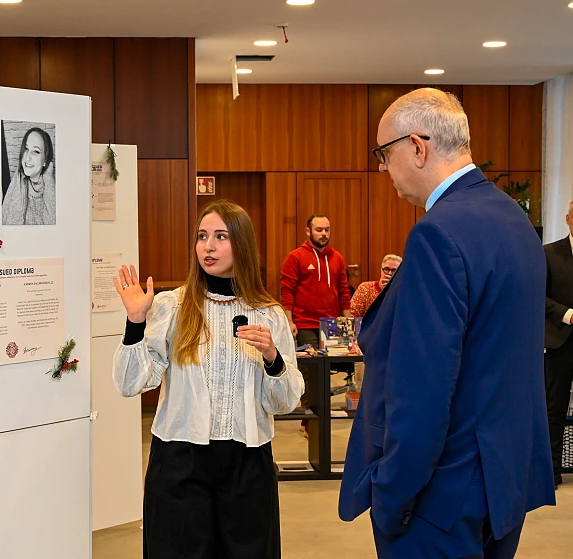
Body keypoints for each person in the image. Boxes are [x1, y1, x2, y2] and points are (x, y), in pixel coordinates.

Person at [339, 88, 554, 558]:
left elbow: (422, 390)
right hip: (502, 482)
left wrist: (391, 492)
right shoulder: (513, 220)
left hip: (441, 494)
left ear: (417, 147)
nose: (381, 167)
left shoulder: (438, 233)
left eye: (383, 153)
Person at [112, 200, 303, 558]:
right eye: (202, 237)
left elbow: (284, 402)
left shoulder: (268, 314)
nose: (208, 247)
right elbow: (131, 383)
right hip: (179, 463)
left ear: (242, 244)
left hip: (247, 465)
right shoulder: (172, 306)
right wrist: (135, 322)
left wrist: (273, 359)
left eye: (220, 237)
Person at [280, 214, 352, 347]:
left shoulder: (337, 258)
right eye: (319, 230)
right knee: (313, 367)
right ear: (308, 231)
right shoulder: (295, 257)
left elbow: (344, 291)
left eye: (327, 230)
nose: (324, 234)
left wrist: (348, 321)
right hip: (305, 324)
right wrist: (289, 322)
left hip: (332, 323)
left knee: (334, 366)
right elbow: (287, 292)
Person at [544, 200, 573, 490]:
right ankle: (551, 471)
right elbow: (538, 296)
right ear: (568, 219)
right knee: (555, 409)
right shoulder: (550, 253)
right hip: (560, 342)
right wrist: (567, 314)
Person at [2, 127, 56, 226]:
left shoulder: (54, 188)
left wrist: (48, 176)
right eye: (26, 149)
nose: (27, 157)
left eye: (36, 151)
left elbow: (53, 224)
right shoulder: (18, 181)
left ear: (45, 160)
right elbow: (7, 222)